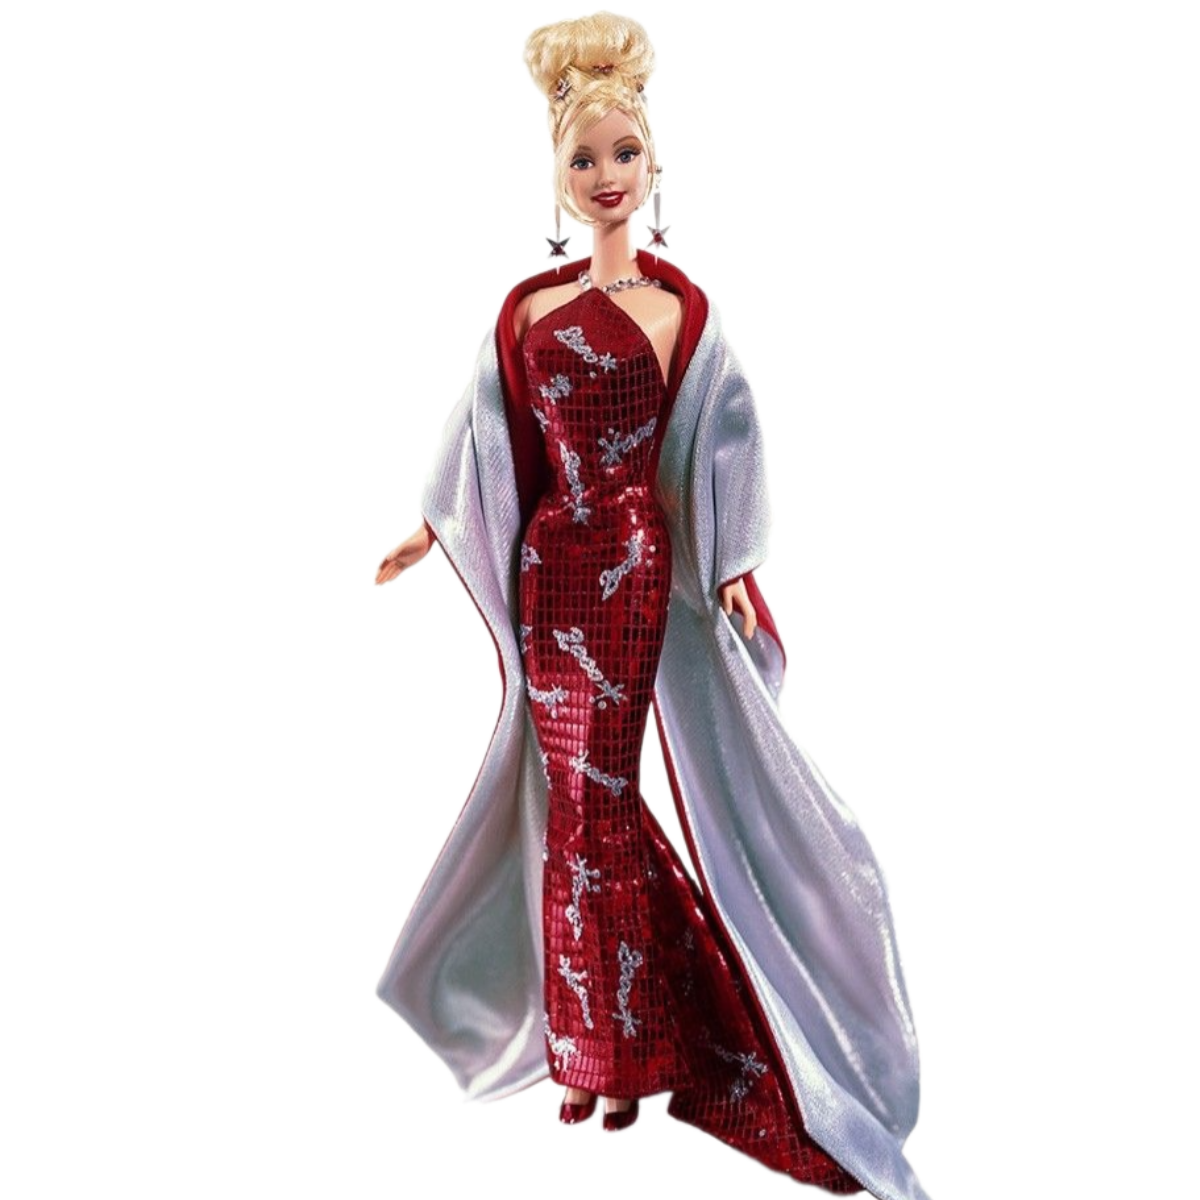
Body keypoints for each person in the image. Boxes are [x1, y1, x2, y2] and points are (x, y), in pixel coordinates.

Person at [374, 14, 930, 1200]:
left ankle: (639, 1048)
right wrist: (432, 523)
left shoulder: (686, 312)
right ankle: (587, 1052)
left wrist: (730, 565)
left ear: (655, 161)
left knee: (605, 796)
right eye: (584, 159)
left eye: (623, 153)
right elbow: (480, 431)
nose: (606, 175)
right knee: (570, 803)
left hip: (629, 569)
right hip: (551, 570)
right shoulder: (528, 311)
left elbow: (726, 444)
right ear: (557, 178)